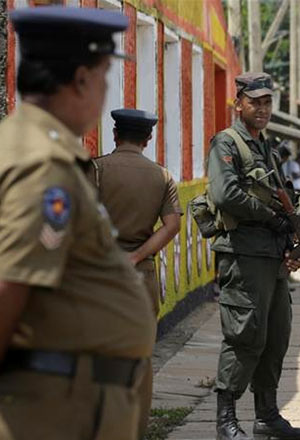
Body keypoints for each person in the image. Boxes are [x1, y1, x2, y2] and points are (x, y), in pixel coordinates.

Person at [0, 7, 155, 440]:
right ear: (82, 79)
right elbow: (9, 285)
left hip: (69, 399)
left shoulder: (23, 145)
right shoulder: (43, 165)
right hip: (62, 409)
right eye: (106, 76)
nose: (105, 91)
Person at [207, 71, 300, 440]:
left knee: (277, 335)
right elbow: (225, 195)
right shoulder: (228, 143)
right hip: (244, 254)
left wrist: (291, 238)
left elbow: (281, 197)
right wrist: (272, 218)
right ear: (239, 104)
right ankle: (225, 420)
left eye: (268, 103)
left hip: (271, 256)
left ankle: (267, 416)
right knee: (244, 334)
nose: (263, 109)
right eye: (256, 102)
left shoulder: (266, 146)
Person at [88, 108, 182, 438]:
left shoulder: (95, 170)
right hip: (141, 278)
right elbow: (172, 226)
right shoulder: (161, 176)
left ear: (115, 135)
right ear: (149, 138)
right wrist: (138, 255)